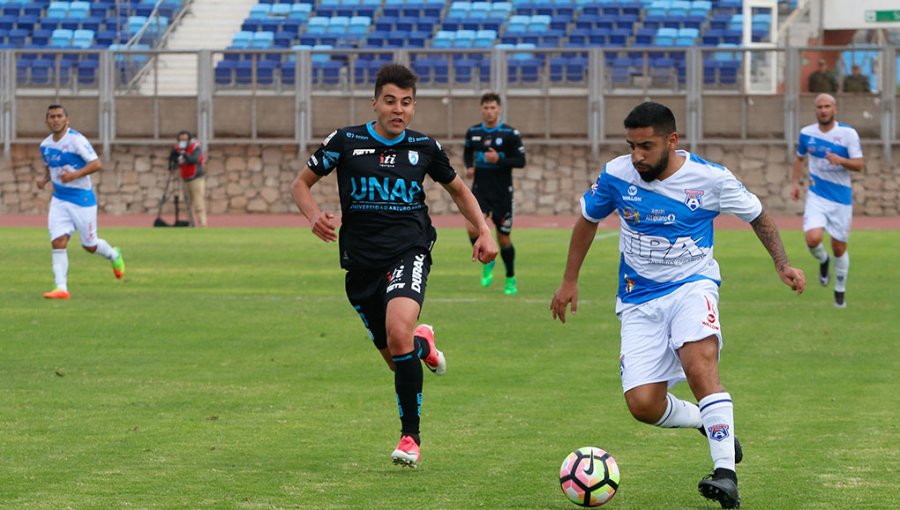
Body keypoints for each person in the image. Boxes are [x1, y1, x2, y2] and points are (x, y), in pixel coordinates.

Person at [550, 102, 805, 509]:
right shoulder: (617, 175)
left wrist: (783, 263)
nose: (637, 156)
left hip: (693, 285)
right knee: (643, 405)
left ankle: (726, 475)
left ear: (672, 140)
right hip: (637, 299)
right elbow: (587, 219)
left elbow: (758, 216)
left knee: (699, 365)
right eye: (632, 146)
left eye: (646, 146)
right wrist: (569, 280)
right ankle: (707, 420)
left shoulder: (710, 179)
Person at [291, 63, 498, 468]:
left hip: (409, 251)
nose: (397, 109)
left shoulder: (425, 148)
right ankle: (424, 344)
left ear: (413, 107)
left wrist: (484, 231)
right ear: (375, 103)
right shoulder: (345, 141)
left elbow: (459, 190)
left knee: (396, 331)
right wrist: (314, 214)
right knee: (398, 355)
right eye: (390, 101)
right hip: (360, 265)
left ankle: (410, 438)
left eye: (405, 102)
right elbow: (301, 183)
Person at [37, 104, 125, 299]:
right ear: (47, 121)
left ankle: (113, 255)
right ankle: (61, 288)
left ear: (67, 119)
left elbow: (96, 164)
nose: (56, 119)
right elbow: (50, 165)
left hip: (82, 200)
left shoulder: (77, 140)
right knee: (58, 241)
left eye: (59, 116)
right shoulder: (45, 145)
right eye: (52, 116)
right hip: (59, 199)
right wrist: (44, 179)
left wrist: (75, 174)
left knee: (90, 245)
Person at [791, 93, 864, 308]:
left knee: (839, 247)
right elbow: (799, 158)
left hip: (841, 198)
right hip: (816, 195)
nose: (823, 110)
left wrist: (840, 160)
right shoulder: (807, 133)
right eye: (819, 107)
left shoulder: (847, 134)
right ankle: (823, 260)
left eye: (827, 106)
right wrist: (795, 183)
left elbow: (859, 164)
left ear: (835, 109)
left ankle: (839, 291)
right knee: (812, 239)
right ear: (816, 110)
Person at [463, 92, 527, 295]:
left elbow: (520, 161)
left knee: (504, 239)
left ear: (499, 109)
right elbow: (467, 152)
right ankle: (487, 261)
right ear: (481, 109)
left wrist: (498, 159)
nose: (489, 111)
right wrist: (469, 166)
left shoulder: (510, 133)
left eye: (493, 108)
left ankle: (510, 277)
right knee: (472, 229)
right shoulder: (473, 132)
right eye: (486, 107)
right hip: (480, 190)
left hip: (502, 192)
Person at [168, 130, 207, 228]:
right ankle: (192, 224)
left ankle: (203, 224)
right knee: (188, 203)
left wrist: (184, 153)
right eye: (181, 139)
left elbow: (194, 159)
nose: (183, 141)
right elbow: (173, 159)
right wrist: (174, 157)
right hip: (185, 178)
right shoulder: (178, 148)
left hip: (196, 178)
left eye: (185, 139)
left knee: (198, 202)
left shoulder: (195, 147)